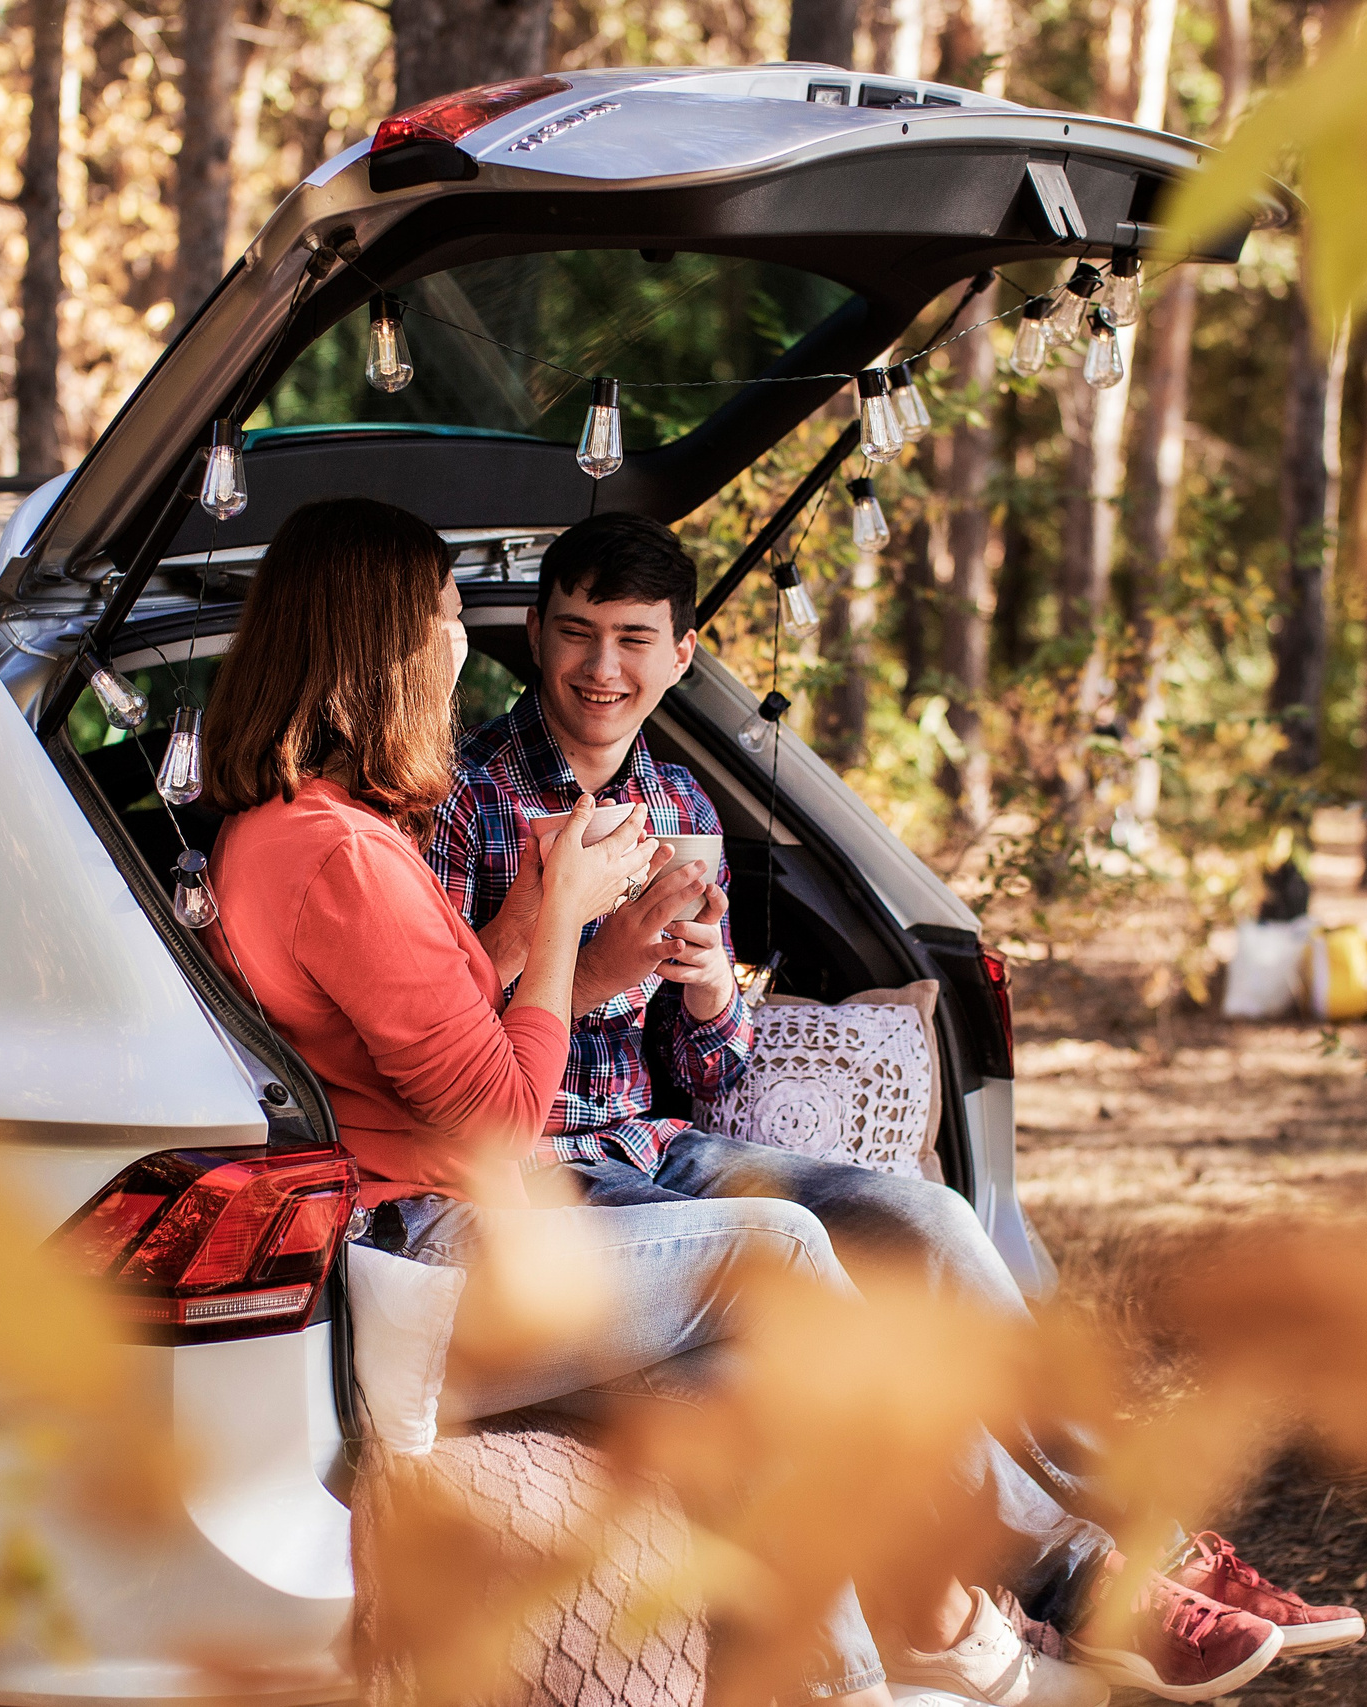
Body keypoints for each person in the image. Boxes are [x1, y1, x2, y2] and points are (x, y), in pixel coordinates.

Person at [425, 512, 1367, 1699]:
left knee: (928, 1225)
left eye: (630, 640)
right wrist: (588, 950)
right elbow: (444, 1044)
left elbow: (705, 1079)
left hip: (657, 1149)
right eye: (573, 635)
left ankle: (1144, 1527)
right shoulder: (465, 800)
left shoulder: (686, 807)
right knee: (826, 1298)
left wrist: (715, 993)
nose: (599, 670)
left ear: (680, 654)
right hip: (545, 1174)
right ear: (531, 636)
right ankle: (1088, 1580)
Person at [194, 496, 1116, 1707]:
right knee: (781, 1255)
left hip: (485, 1214)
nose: (460, 646)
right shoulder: (349, 849)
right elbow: (500, 1115)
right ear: (383, 643)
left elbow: (460, 1011)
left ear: (676, 655)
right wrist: (570, 920)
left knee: (779, 1373)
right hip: (445, 1244)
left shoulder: (306, 833)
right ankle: (1022, 1582)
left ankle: (854, 1679)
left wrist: (607, 952)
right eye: (444, 619)